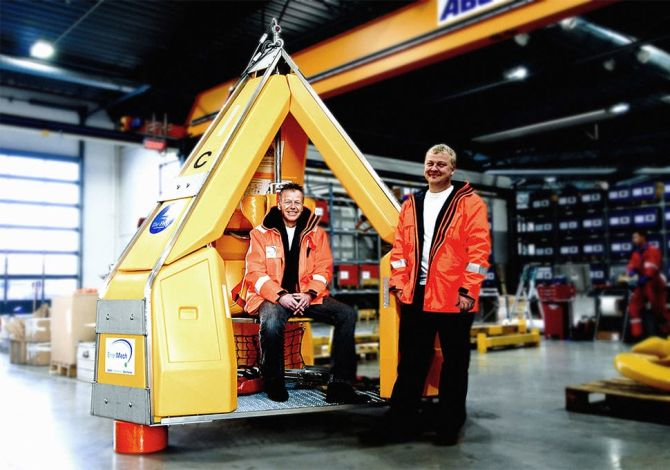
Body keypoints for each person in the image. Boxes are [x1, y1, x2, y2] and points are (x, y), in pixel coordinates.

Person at [362, 143, 491, 446]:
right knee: (410, 362)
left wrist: (468, 290)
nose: (434, 169)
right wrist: (397, 281)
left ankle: (449, 425)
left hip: (454, 297)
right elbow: (401, 248)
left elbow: (479, 252)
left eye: (441, 165)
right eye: (430, 163)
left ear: (452, 169)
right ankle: (402, 422)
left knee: (455, 364)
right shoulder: (412, 203)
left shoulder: (470, 203)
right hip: (416, 295)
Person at [240, 182, 367, 404]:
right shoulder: (260, 234)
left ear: (302, 204)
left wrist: (308, 294)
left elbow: (323, 269)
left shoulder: (316, 234)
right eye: (287, 202)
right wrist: (281, 296)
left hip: (307, 296)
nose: (292, 206)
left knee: (347, 314)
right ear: (279, 204)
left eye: (297, 202)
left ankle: (340, 385)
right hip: (273, 297)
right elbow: (255, 273)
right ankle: (274, 383)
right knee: (270, 322)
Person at [626, 229, 670, 338]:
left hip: (654, 284)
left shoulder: (653, 251)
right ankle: (637, 335)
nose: (633, 240)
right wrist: (631, 271)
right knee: (633, 307)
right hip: (642, 285)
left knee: (660, 310)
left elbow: (652, 267)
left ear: (643, 237)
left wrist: (646, 276)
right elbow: (632, 264)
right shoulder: (636, 253)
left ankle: (667, 331)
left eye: (635, 237)